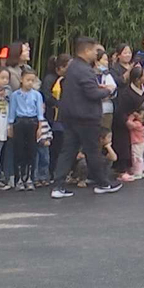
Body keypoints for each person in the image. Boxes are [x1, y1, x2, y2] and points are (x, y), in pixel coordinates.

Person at [49, 37, 121, 199]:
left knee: (68, 151)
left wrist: (96, 88)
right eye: (95, 51)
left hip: (71, 116)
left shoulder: (73, 67)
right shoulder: (85, 70)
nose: (97, 54)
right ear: (87, 51)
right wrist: (107, 90)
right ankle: (103, 183)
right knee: (93, 151)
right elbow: (92, 93)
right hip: (86, 117)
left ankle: (58, 185)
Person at [9, 68, 45, 190]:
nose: (30, 83)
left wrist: (40, 126)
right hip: (19, 122)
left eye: (32, 80)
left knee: (32, 150)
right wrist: (10, 125)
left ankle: (29, 178)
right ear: (21, 80)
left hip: (32, 121)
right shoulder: (15, 95)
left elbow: (40, 112)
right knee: (19, 150)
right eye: (28, 80)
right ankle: (19, 178)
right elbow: (12, 111)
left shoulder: (37, 95)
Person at [112, 66, 144, 181]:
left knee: (135, 146)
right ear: (137, 79)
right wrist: (127, 121)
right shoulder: (126, 93)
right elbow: (120, 110)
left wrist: (141, 115)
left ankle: (131, 167)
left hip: (135, 121)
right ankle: (121, 171)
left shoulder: (143, 89)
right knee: (123, 144)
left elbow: (142, 107)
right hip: (122, 121)